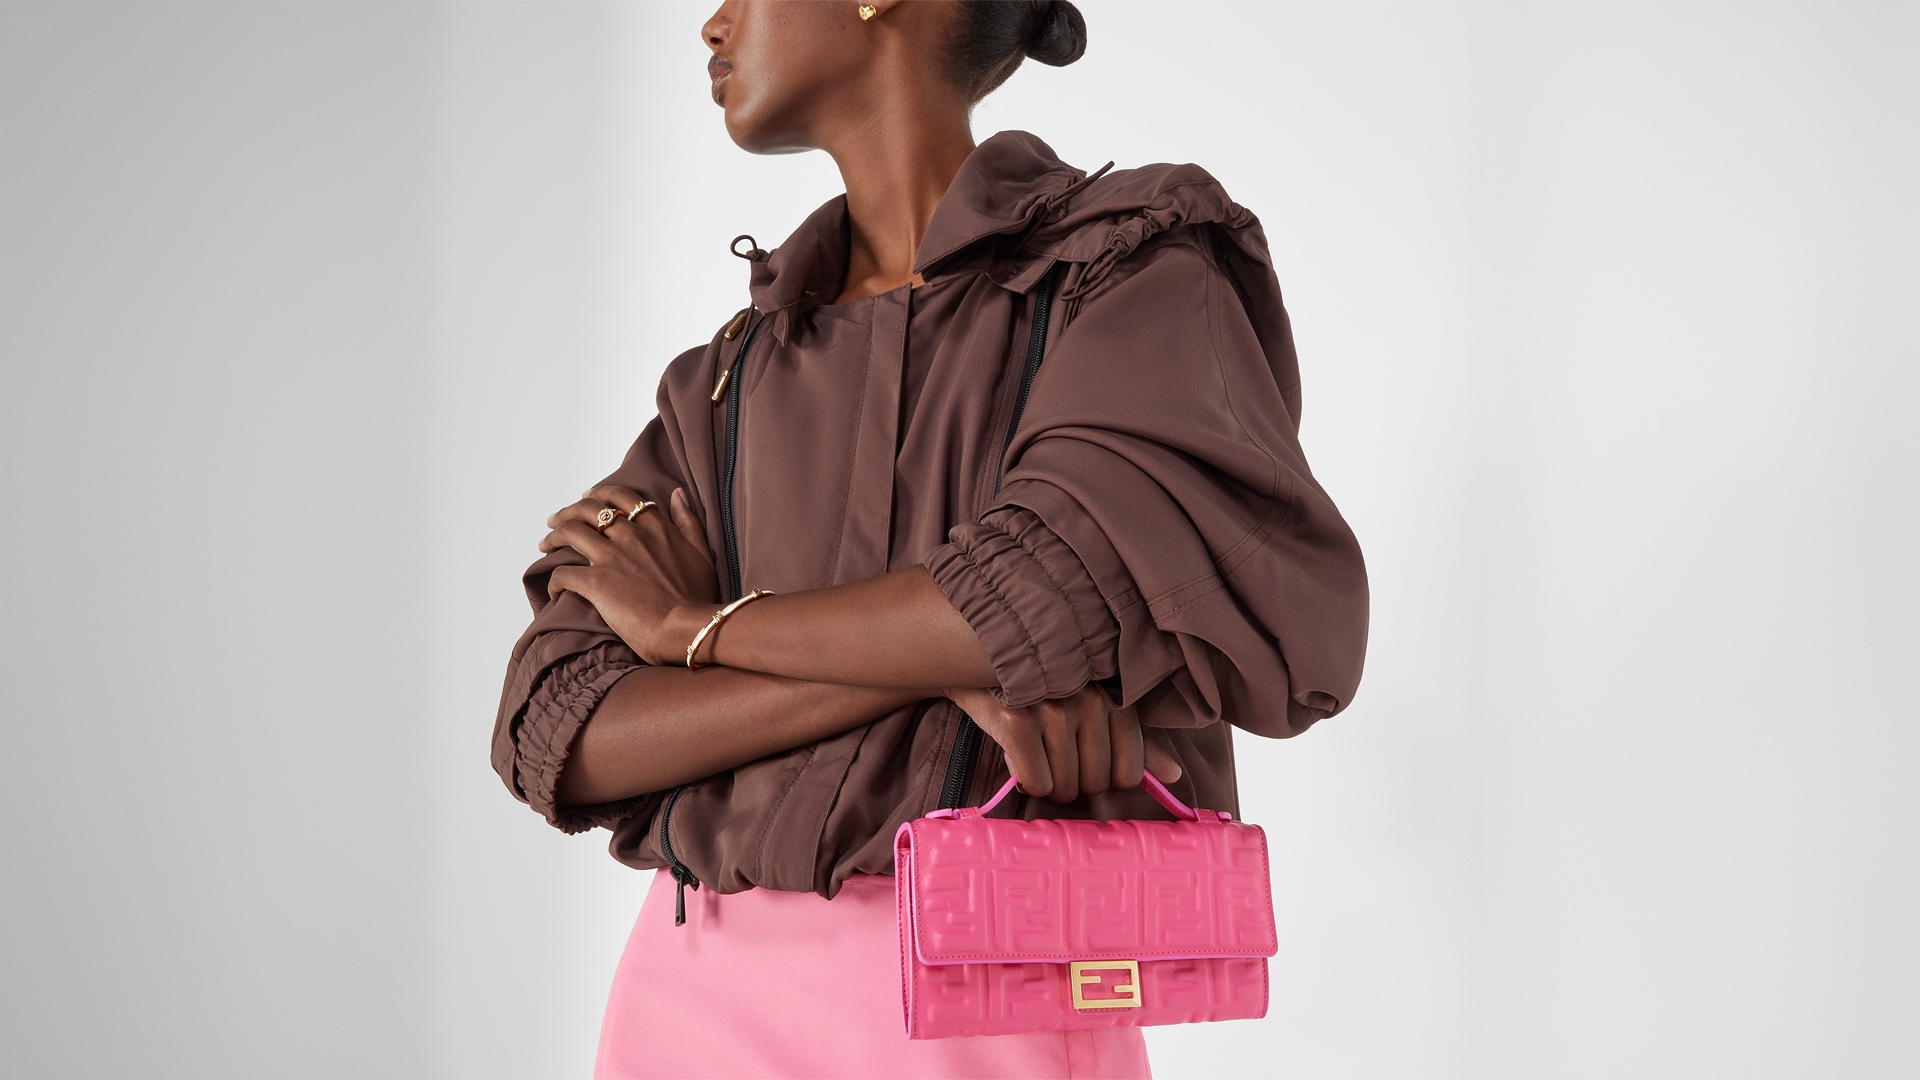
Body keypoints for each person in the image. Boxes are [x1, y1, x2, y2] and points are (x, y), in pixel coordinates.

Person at [489, 1, 1369, 1076]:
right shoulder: (721, 379)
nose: (713, 24)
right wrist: (940, 668)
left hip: (992, 989)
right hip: (687, 992)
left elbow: (1047, 593)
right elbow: (558, 728)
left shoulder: (1129, 271)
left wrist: (689, 630)